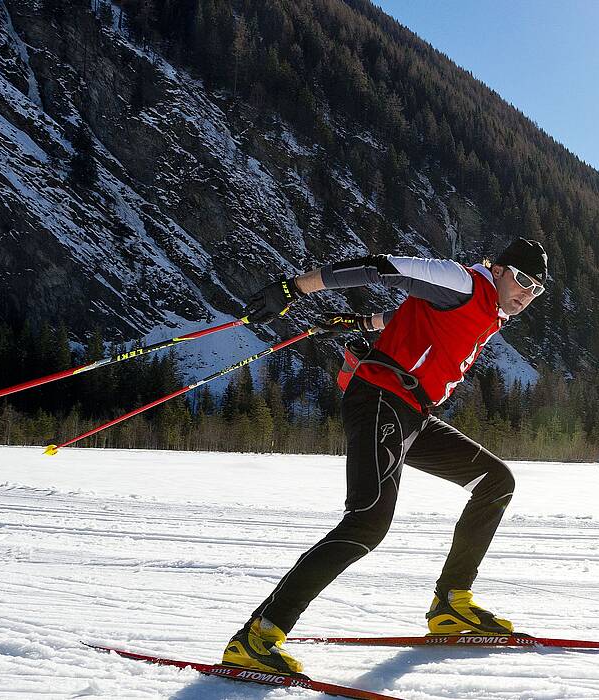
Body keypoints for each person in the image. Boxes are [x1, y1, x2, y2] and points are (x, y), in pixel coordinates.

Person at [221, 238, 550, 674]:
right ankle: (258, 636)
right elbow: (381, 267)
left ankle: (452, 604)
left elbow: (406, 315)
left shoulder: (487, 312)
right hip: (381, 398)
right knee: (368, 520)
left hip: (412, 413)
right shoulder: (463, 284)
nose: (526, 294)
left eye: (536, 290)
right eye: (523, 280)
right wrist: (295, 289)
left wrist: (359, 322)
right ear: (500, 269)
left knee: (496, 482)